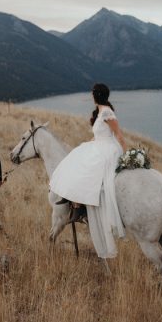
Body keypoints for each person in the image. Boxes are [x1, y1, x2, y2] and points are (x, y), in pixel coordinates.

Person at [49, 83, 127, 258]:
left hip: (108, 149)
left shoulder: (107, 112)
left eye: (92, 93)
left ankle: (80, 206)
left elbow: (119, 136)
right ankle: (75, 204)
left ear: (96, 95)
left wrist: (126, 157)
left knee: (87, 169)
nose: (91, 96)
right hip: (99, 144)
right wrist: (88, 143)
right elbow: (99, 134)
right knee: (77, 159)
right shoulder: (100, 111)